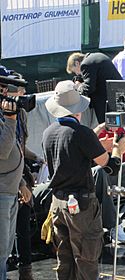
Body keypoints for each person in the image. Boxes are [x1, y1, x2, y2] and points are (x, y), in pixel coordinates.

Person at [42, 80, 125, 280]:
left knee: (65, 260)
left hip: (58, 203)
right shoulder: (82, 134)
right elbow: (110, 167)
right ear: (78, 109)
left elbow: (67, 154)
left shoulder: (48, 133)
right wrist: (117, 149)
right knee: (86, 259)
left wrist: (94, 138)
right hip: (80, 205)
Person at [0, 87, 31, 280]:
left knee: (5, 249)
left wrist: (21, 183)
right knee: (0, 248)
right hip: (1, 193)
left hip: (10, 190)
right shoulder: (7, 118)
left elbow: (14, 152)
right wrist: (11, 120)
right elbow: (3, 150)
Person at [66, 52, 122, 124]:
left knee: (108, 127)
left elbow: (88, 88)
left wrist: (78, 87)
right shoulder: (96, 56)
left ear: (77, 63)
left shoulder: (86, 64)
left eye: (75, 71)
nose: (77, 74)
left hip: (106, 102)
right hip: (117, 96)